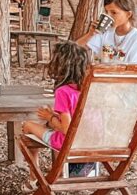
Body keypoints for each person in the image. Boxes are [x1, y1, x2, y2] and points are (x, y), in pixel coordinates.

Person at [22, 41, 92, 176]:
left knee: (28, 126)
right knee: (50, 127)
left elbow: (67, 130)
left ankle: (34, 175)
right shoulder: (89, 89)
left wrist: (50, 117)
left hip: (69, 143)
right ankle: (58, 170)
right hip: (92, 142)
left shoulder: (63, 92)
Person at [76, 0, 137, 64]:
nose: (109, 16)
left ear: (128, 14)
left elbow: (136, 72)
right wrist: (90, 34)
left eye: (114, 12)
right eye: (106, 12)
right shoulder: (105, 32)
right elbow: (75, 49)